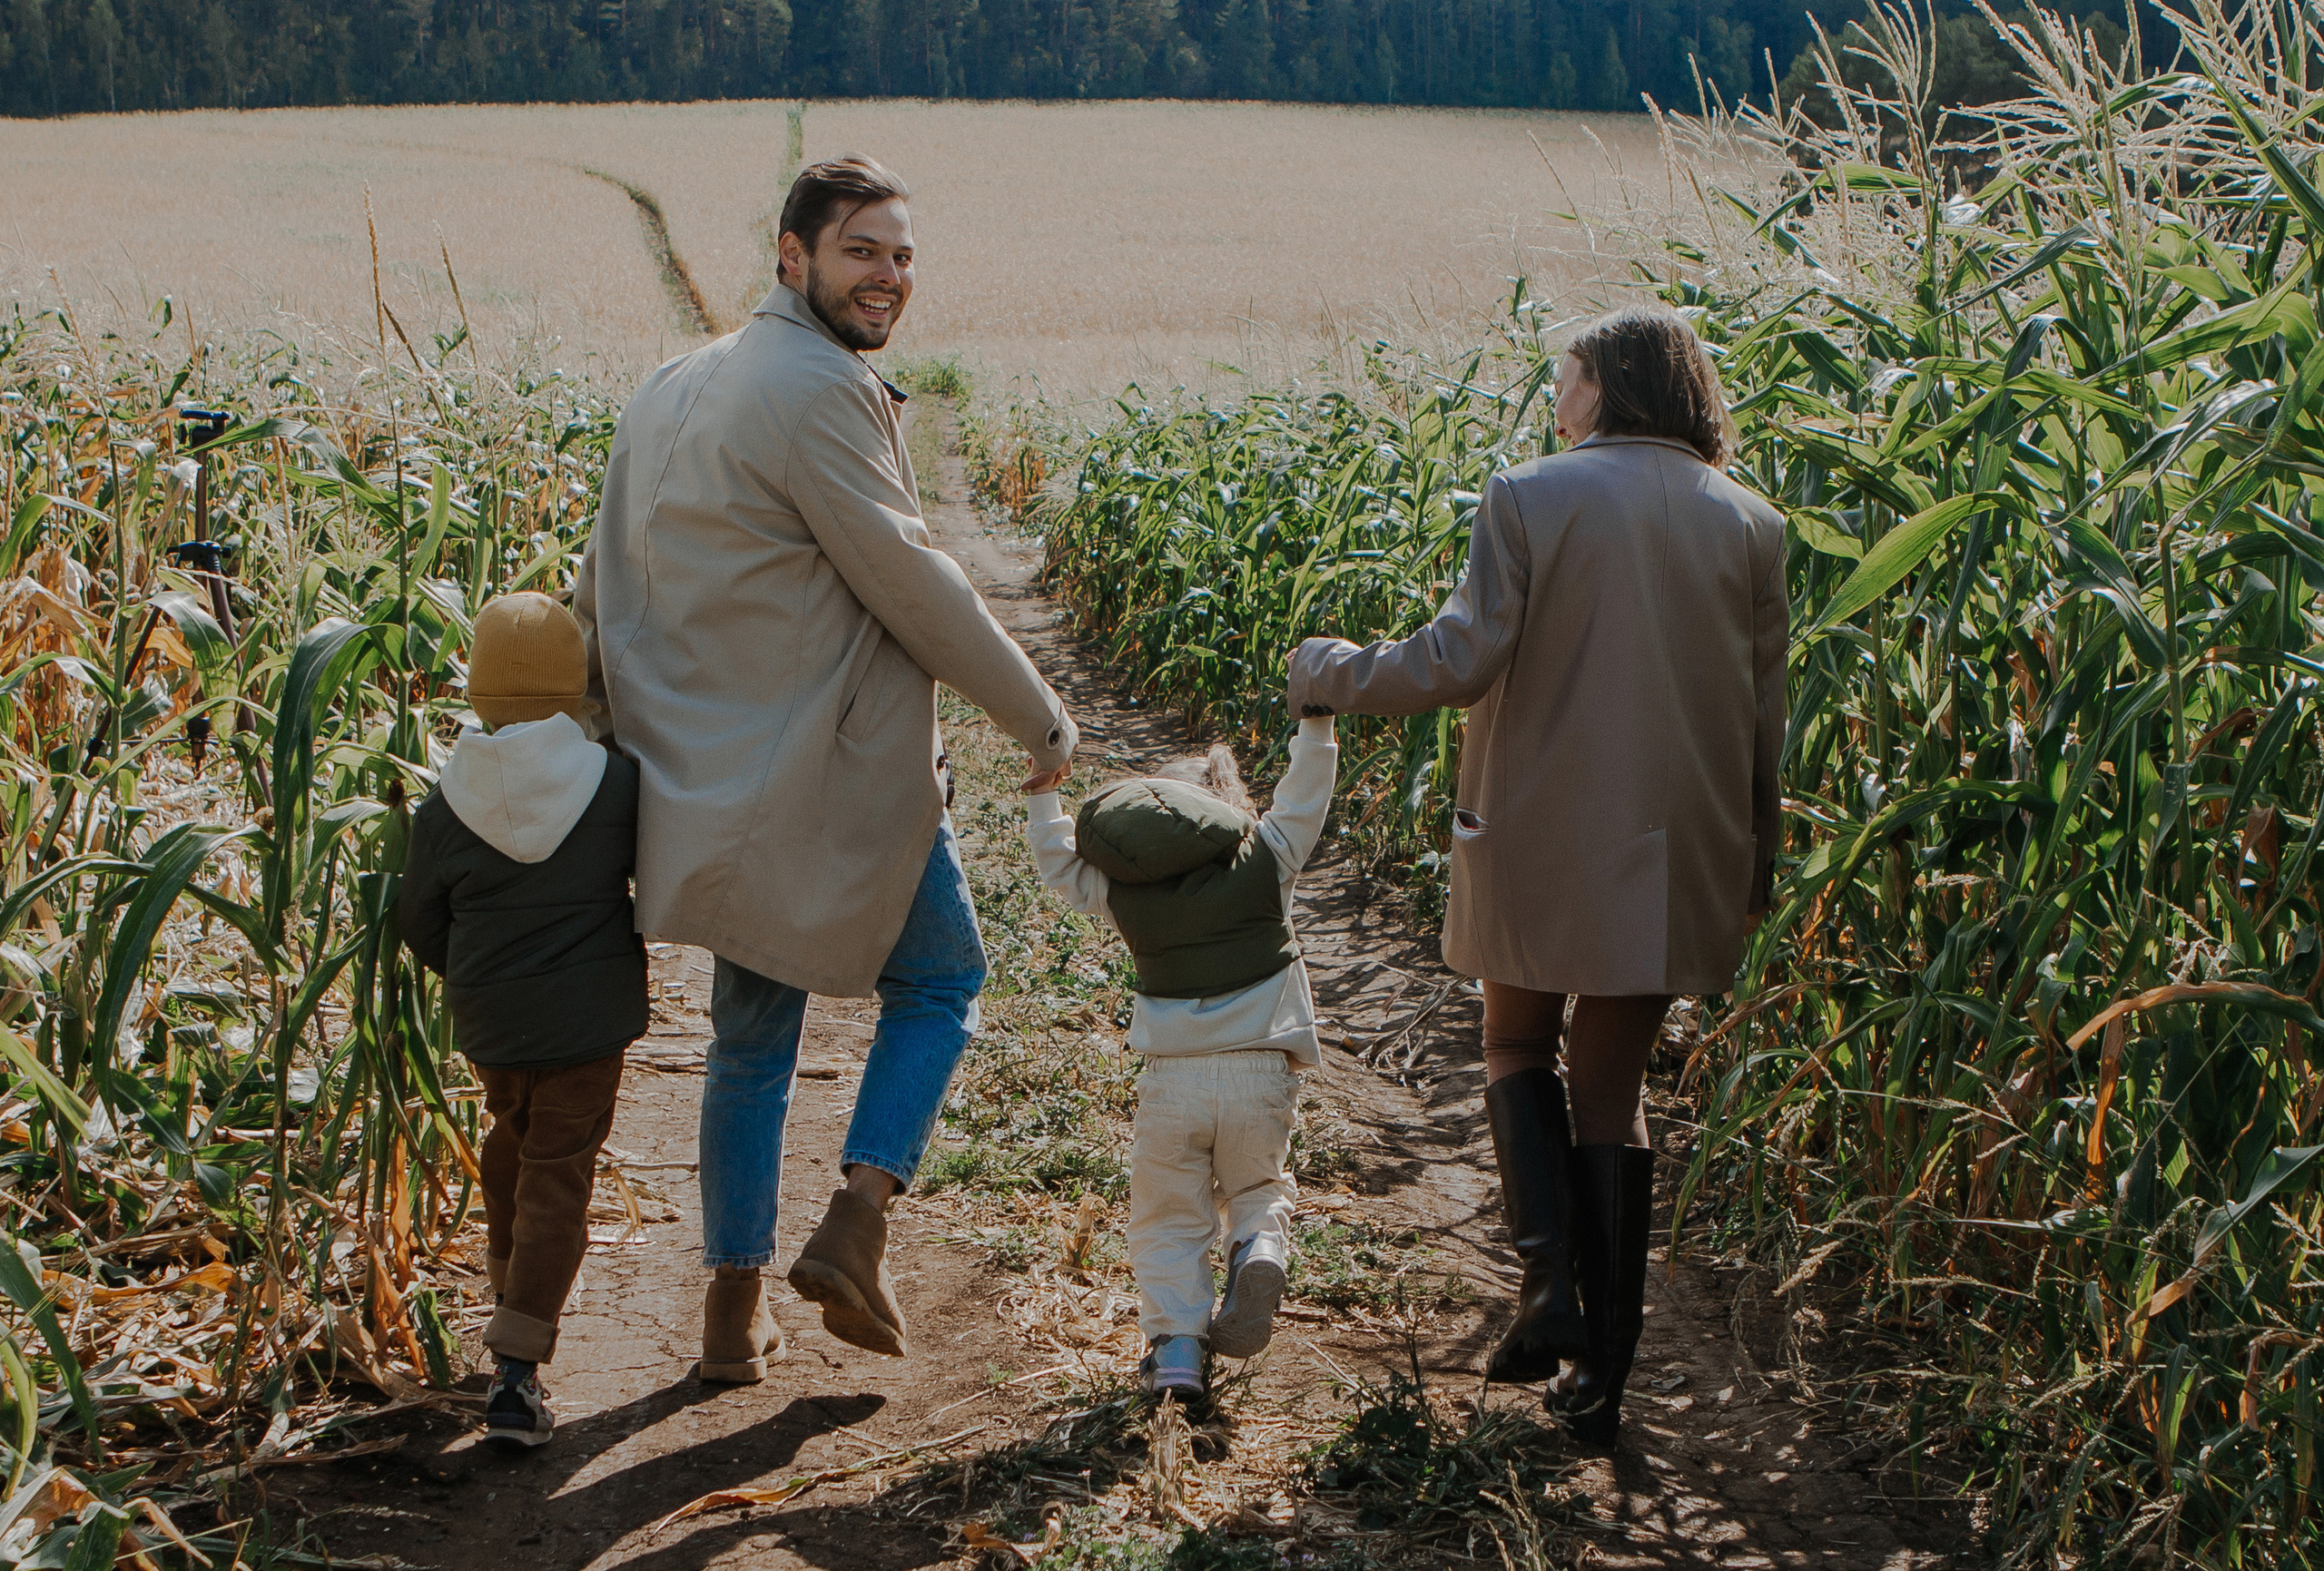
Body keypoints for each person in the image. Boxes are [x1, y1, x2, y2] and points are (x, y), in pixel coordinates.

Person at [575, 155, 1078, 1382]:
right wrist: (1040, 718)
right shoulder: (820, 389)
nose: (889, 276)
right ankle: (856, 1219)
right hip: (824, 772)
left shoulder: (669, 385)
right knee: (947, 974)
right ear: (791, 257)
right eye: (862, 250)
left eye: (902, 253)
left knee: (752, 1039)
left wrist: (608, 743)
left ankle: (731, 1317)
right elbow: (916, 584)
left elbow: (601, 589)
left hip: (708, 783)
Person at [1285, 306, 1787, 1442]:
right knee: (1613, 1093)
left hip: (1534, 834)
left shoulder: (1530, 493)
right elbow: (1766, 716)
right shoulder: (1753, 523)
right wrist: (1752, 861)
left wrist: (1326, 668)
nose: (1553, 400)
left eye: (1563, 379)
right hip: (1679, 854)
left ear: (1607, 386)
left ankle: (1548, 1284)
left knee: (1515, 1044)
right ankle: (1600, 1380)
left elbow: (1457, 662)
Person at [1020, 718, 1338, 1400]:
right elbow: (1305, 798)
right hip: (1260, 1075)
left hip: (1172, 1084)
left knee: (1169, 1219)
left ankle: (1176, 1355)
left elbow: (1060, 865)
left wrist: (1043, 794)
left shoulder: (1127, 891)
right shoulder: (1266, 858)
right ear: (1228, 812)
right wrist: (1316, 725)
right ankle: (1258, 1247)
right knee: (1257, 1188)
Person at [398, 592, 649, 1449]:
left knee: (511, 1136)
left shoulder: (444, 806)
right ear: (573, 686)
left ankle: (507, 1289)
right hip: (587, 1025)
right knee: (559, 1173)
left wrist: (476, 977)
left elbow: (418, 919)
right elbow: (649, 883)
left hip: (493, 1023)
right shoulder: (613, 783)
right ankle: (516, 1369)